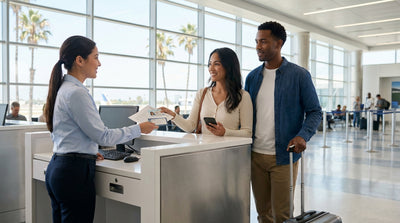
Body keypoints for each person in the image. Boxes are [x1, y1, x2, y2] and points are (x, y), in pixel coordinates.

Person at [43, 36, 158, 222]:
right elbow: (103, 136)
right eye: (95, 57)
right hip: (74, 173)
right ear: (80, 60)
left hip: (59, 167)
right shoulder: (77, 93)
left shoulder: (63, 89)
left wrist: (87, 150)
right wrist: (138, 129)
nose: (99, 63)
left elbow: (67, 131)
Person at [244, 21, 321, 223]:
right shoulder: (252, 77)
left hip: (283, 157)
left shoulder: (299, 75)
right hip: (255, 157)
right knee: (263, 215)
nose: (258, 46)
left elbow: (314, 112)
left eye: (263, 42)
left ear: (278, 44)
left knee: (283, 216)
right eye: (257, 42)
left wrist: (302, 136)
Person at [160, 47, 253, 137]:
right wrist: (172, 115)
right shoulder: (202, 94)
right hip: (204, 152)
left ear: (229, 66)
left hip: (229, 152)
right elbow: (190, 126)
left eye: (216, 64)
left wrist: (225, 132)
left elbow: (247, 133)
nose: (211, 69)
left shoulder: (243, 96)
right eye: (209, 64)